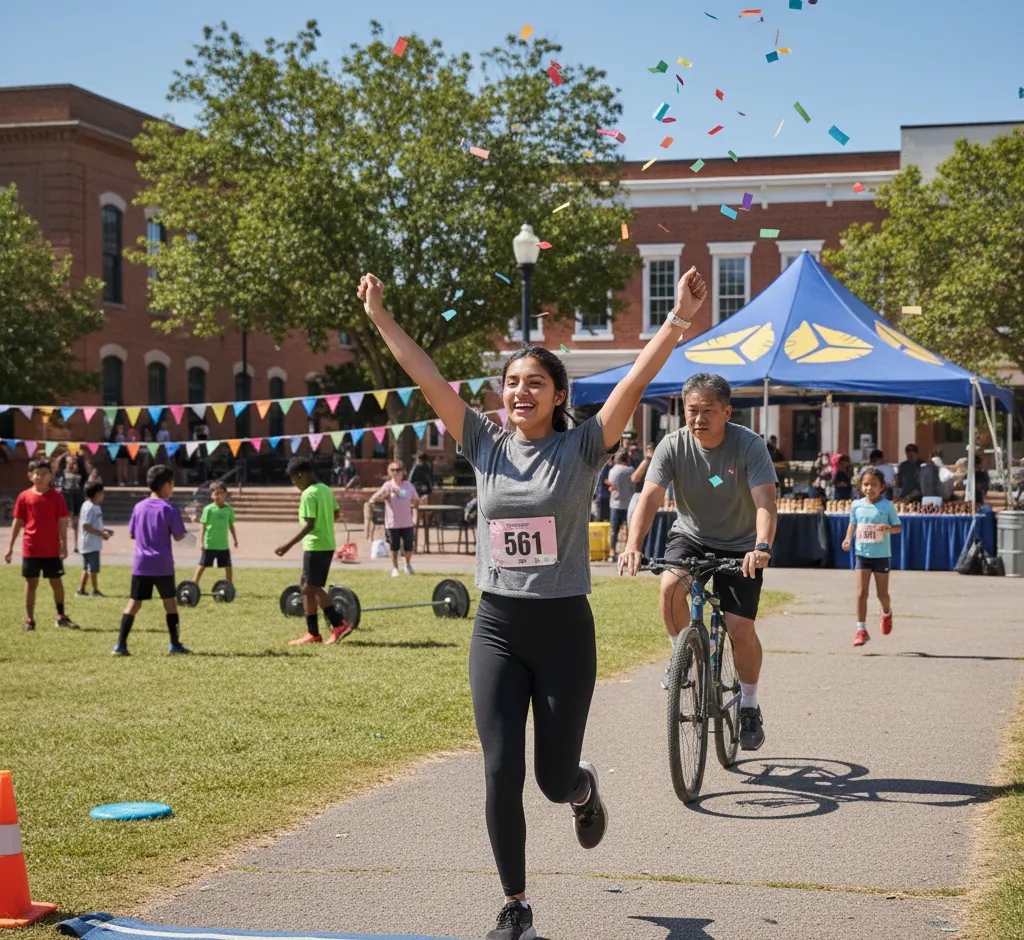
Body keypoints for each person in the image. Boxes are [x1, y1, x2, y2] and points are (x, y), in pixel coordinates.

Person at [357, 263, 707, 940]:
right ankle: (515, 905)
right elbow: (426, 377)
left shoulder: (582, 447)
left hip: (563, 630)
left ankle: (582, 789)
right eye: (513, 382)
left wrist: (677, 322)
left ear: (558, 395)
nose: (521, 391)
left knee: (550, 777)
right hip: (497, 626)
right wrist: (380, 317)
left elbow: (634, 383)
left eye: (535, 382)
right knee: (499, 769)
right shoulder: (483, 442)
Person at [621, 373, 777, 751]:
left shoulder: (749, 445)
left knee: (740, 628)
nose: (698, 418)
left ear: (727, 411)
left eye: (708, 410)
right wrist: (633, 544)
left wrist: (761, 546)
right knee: (670, 585)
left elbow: (765, 502)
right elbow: (650, 498)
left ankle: (750, 704)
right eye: (692, 410)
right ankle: (683, 656)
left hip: (741, 544)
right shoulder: (672, 446)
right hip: (691, 535)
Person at [274, 456, 353, 645]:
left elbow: (309, 525)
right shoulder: (325, 489)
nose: (296, 486)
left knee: (312, 586)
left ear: (301, 475)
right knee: (305, 587)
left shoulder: (308, 494)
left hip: (315, 546)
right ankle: (313, 634)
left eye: (295, 481)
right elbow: (336, 513)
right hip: (326, 543)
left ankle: (339, 623)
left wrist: (287, 546)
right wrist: (324, 524)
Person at [114, 464, 191, 656]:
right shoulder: (170, 509)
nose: (173, 488)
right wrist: (189, 530)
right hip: (163, 564)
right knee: (170, 603)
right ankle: (174, 645)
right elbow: (179, 536)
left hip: (141, 564)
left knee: (134, 603)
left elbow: (132, 534)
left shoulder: (138, 507)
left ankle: (120, 645)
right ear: (166, 485)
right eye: (172, 484)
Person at [4, 458, 78, 631]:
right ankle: (29, 620)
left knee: (56, 582)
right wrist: (10, 547)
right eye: (37, 473)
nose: (40, 477)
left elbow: (62, 521)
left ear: (51, 475)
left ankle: (61, 616)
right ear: (30, 475)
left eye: (45, 474)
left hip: (52, 549)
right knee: (31, 583)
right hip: (31, 548)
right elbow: (17, 522)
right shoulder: (24, 497)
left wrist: (64, 543)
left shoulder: (56, 497)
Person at [841, 467, 901, 648]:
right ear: (860, 486)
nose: (869, 488)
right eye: (866, 484)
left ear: (882, 487)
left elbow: (898, 527)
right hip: (862, 553)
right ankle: (861, 629)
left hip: (881, 555)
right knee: (861, 593)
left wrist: (888, 529)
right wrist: (848, 538)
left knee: (882, 594)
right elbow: (853, 523)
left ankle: (886, 613)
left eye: (873, 485)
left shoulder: (887, 506)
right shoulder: (856, 505)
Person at [369, 461, 420, 577]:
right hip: (392, 523)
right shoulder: (388, 486)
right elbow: (373, 499)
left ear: (403, 472)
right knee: (394, 547)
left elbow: (416, 500)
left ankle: (407, 564)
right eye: (393, 470)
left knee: (408, 547)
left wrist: (415, 508)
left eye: (398, 470)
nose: (396, 472)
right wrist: (384, 497)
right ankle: (395, 568)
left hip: (407, 522)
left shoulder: (408, 486)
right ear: (389, 472)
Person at [192, 481, 238, 588]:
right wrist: (202, 542)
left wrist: (235, 539)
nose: (218, 496)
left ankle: (230, 588)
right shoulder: (208, 509)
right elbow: (203, 527)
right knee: (202, 565)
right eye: (216, 493)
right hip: (210, 544)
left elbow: (231, 525)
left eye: (221, 493)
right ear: (212, 495)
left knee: (228, 566)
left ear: (225, 494)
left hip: (223, 545)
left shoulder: (228, 509)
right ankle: (193, 585)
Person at [76, 481, 112, 597]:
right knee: (93, 569)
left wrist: (104, 531)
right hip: (90, 544)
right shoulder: (90, 507)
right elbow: (85, 526)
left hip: (91, 543)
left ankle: (81, 590)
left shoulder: (93, 506)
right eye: (102, 493)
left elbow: (94, 524)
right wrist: (101, 534)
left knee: (86, 568)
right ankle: (95, 590)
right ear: (97, 494)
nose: (103, 495)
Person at [53, 451, 86, 553]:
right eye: (70, 459)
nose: (72, 461)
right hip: (65, 495)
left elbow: (86, 469)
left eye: (74, 460)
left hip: (77, 496)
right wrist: (65, 454)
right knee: (62, 521)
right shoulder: (62, 471)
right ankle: (61, 544)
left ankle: (76, 546)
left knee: (75, 522)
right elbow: (56, 463)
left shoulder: (81, 471)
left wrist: (79, 458)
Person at [606, 450, 635, 561]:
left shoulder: (612, 471)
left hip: (615, 504)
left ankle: (612, 552)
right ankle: (628, 552)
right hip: (628, 504)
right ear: (626, 459)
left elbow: (611, 485)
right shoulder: (630, 470)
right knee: (629, 530)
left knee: (614, 529)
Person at [593, 455, 613, 523]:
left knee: (606, 517)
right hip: (602, 496)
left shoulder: (608, 466)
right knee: (600, 517)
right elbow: (605, 480)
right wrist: (615, 486)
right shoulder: (604, 466)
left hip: (607, 496)